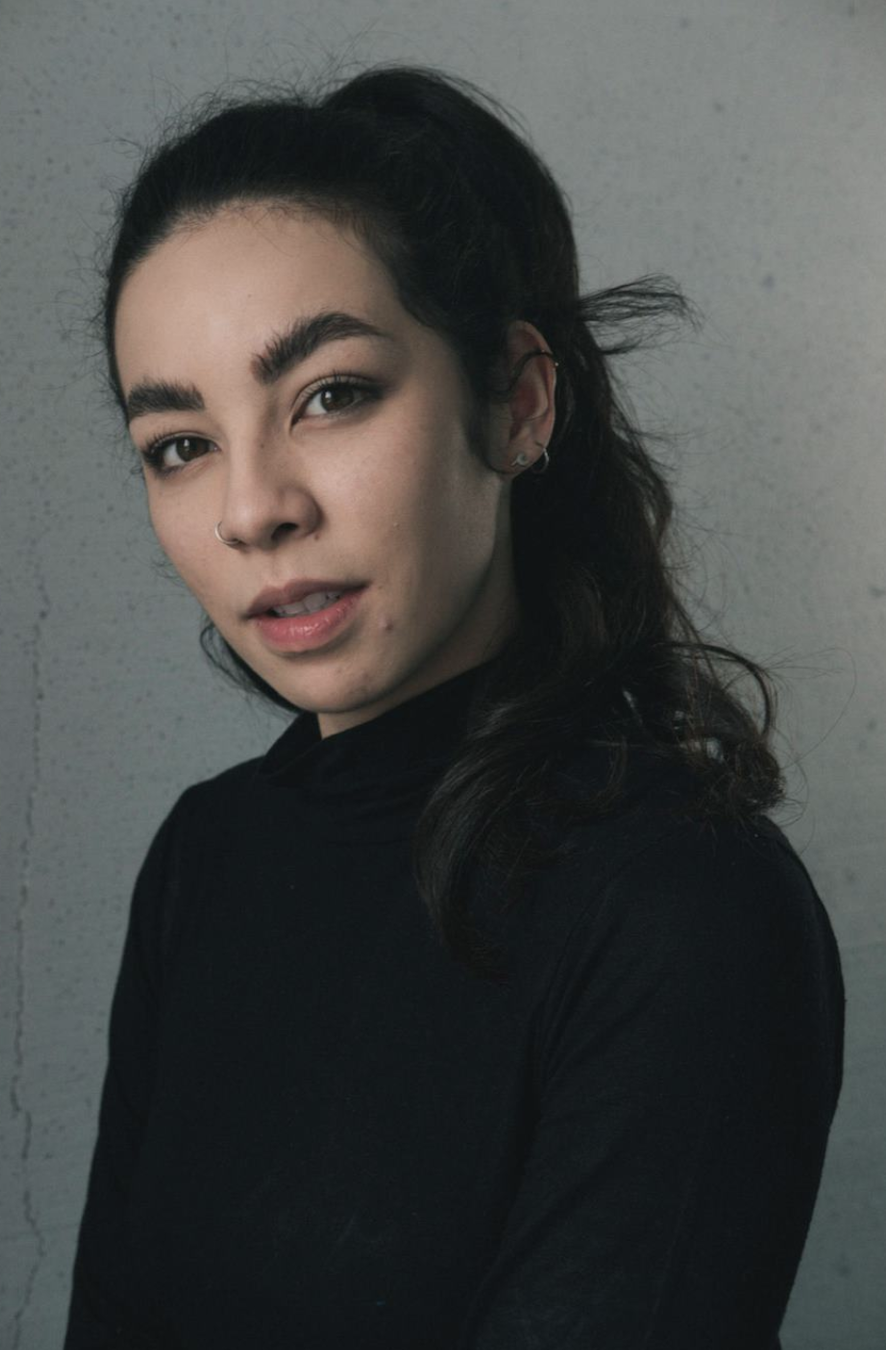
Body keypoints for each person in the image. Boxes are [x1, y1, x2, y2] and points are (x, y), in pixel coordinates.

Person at [64, 64, 844, 1350]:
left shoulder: (686, 903)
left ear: (518, 401)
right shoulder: (206, 856)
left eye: (330, 395)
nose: (253, 509)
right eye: (180, 445)